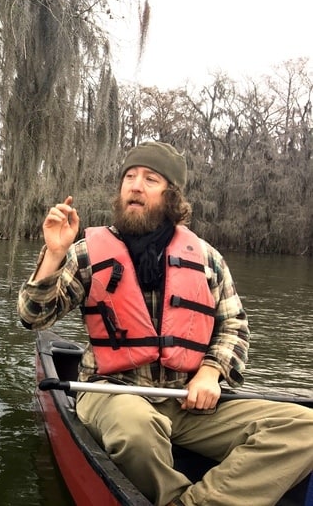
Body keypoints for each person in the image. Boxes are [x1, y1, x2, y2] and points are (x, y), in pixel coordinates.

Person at [18, 141, 313, 506]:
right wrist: (54, 253)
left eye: (150, 178)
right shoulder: (87, 252)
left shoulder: (207, 258)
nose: (135, 185)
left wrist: (211, 371)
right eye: (129, 176)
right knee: (137, 430)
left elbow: (234, 324)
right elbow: (33, 316)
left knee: (305, 429)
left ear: (171, 195)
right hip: (112, 392)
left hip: (186, 400)